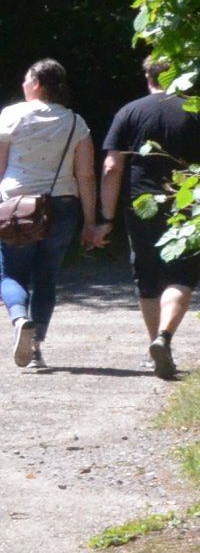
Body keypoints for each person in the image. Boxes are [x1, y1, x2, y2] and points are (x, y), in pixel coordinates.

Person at [102, 54, 200, 380]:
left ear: (147, 77)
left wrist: (104, 218)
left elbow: (112, 168)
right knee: (181, 274)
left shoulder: (129, 112)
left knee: (147, 274)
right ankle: (164, 338)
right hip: (189, 204)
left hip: (141, 205)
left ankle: (154, 345)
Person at [0, 59, 108, 371]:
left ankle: (20, 318)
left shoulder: (11, 116)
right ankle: (35, 350)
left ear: (36, 84)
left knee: (10, 275)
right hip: (61, 206)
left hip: (15, 207)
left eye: (25, 79)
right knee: (46, 277)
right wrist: (90, 221)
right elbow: (86, 176)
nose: (22, 84)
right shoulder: (75, 122)